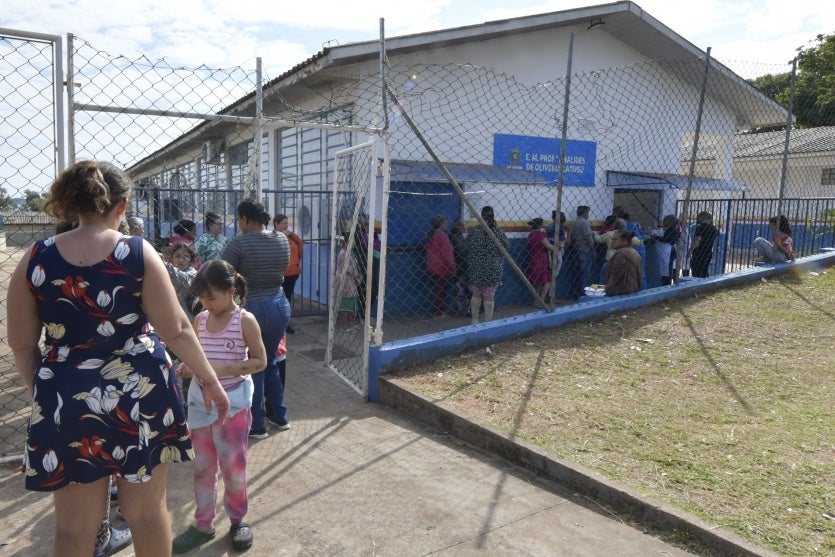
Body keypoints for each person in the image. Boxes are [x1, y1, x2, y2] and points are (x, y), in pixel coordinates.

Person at [6, 160, 229, 557]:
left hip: (67, 396)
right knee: (146, 513)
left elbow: (22, 345)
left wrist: (48, 397)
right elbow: (176, 329)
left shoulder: (35, 258)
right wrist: (209, 379)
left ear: (72, 204)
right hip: (140, 393)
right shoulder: (137, 252)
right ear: (122, 206)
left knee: (73, 528)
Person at [171, 260, 267, 554]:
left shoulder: (245, 320)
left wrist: (219, 370)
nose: (205, 303)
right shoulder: (200, 319)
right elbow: (198, 356)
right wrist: (188, 366)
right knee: (202, 468)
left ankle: (239, 521)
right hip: (201, 406)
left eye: (211, 296)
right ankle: (203, 525)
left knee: (233, 469)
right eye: (201, 297)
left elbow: (260, 361)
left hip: (233, 409)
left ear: (230, 290)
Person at [221, 198, 291, 439]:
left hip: (252, 308)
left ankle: (257, 424)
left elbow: (223, 275)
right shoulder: (282, 239)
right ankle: (280, 416)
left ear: (244, 219)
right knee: (269, 360)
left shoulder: (238, 244)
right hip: (280, 305)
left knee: (254, 364)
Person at [467, 206, 509, 325]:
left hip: (477, 267)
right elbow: (506, 247)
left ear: (481, 215)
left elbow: (467, 246)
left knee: (476, 294)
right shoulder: (498, 231)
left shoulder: (475, 231)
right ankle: (487, 322)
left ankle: (474, 320)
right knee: (489, 296)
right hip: (493, 267)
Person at [273, 213, 303, 333]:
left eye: (287, 223)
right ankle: (276, 324)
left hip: (292, 272)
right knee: (276, 300)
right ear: (276, 224)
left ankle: (285, 324)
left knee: (287, 299)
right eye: (284, 223)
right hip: (280, 274)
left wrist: (292, 235)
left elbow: (300, 247)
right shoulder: (273, 237)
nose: (286, 225)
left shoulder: (291, 236)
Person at [424, 215, 456, 318]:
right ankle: (438, 312)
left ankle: (438, 311)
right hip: (442, 268)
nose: (446, 225)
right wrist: (452, 267)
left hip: (432, 266)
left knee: (438, 290)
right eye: (445, 223)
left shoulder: (431, 235)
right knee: (441, 291)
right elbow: (447, 254)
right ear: (441, 224)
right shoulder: (442, 236)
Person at [567, 205, 596, 299]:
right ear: (584, 212)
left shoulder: (574, 223)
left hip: (576, 250)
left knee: (577, 274)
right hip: (585, 250)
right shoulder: (584, 222)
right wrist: (593, 249)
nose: (588, 215)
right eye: (587, 212)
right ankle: (584, 294)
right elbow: (588, 237)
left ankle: (576, 294)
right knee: (585, 273)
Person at [526, 217, 556, 307]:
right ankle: (541, 301)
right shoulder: (540, 235)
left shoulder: (531, 234)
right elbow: (548, 246)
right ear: (540, 225)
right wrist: (558, 248)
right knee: (546, 282)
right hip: (541, 260)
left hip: (533, 259)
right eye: (543, 223)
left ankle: (536, 301)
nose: (545, 225)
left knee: (537, 283)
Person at [165, 242, 199, 318]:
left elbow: (182, 279)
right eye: (177, 256)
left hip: (187, 316)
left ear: (190, 260)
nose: (181, 260)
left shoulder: (193, 274)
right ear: (172, 257)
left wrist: (163, 263)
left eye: (186, 257)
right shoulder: (165, 272)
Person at [605, 230, 643, 296]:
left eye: (615, 239)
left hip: (621, 292)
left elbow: (615, 277)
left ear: (625, 241)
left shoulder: (621, 254)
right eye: (612, 239)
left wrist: (605, 291)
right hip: (633, 290)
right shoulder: (634, 252)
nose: (612, 241)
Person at [335, 235, 361, 331]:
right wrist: (357, 278)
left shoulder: (350, 253)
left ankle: (349, 325)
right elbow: (348, 269)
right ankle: (345, 326)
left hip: (350, 281)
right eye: (351, 242)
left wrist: (357, 276)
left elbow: (353, 267)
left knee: (349, 303)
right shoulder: (344, 253)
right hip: (346, 281)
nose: (354, 243)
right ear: (345, 243)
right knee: (345, 304)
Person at [648, 215, 680, 285]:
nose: (663, 222)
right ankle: (665, 282)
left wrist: (656, 237)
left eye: (665, 221)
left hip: (669, 252)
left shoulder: (672, 230)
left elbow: (666, 239)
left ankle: (666, 283)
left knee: (667, 270)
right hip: (668, 251)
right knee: (666, 269)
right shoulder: (671, 229)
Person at [686, 211, 719, 278]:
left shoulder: (701, 228)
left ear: (703, 218)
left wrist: (690, 251)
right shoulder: (714, 229)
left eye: (699, 217)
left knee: (696, 272)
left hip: (699, 253)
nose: (697, 219)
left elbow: (697, 240)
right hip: (708, 252)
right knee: (704, 271)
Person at [449, 220, 470, 315]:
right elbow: (461, 252)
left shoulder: (460, 237)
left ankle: (462, 307)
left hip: (462, 266)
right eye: (464, 226)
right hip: (460, 267)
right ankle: (459, 307)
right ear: (459, 227)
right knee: (460, 288)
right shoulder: (455, 238)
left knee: (462, 288)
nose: (466, 227)